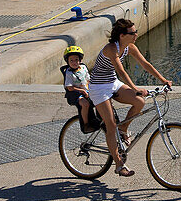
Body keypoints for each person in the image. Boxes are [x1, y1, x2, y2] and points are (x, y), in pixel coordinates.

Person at [87, 18, 173, 177]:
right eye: (132, 33)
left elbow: (145, 64)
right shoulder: (111, 49)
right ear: (121, 35)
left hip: (112, 83)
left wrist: (163, 80)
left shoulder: (129, 47)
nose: (136, 35)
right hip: (99, 88)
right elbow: (122, 72)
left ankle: (123, 129)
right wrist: (136, 88)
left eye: (136, 32)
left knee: (139, 101)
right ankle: (119, 165)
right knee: (110, 125)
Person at [61, 45, 93, 129]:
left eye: (76, 60)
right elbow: (69, 87)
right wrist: (82, 91)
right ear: (67, 61)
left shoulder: (83, 68)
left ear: (80, 60)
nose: (74, 62)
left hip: (87, 90)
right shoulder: (69, 73)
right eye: (71, 60)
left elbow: (88, 79)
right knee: (85, 104)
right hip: (77, 93)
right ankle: (86, 124)